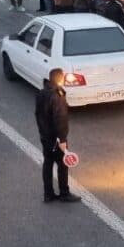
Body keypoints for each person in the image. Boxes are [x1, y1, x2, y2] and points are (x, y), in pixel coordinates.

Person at [36, 69, 81, 203]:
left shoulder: (41, 93)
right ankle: (64, 193)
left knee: (48, 163)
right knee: (63, 165)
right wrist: (62, 140)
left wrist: (44, 132)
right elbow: (60, 119)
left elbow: (38, 115)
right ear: (60, 79)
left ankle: (48, 194)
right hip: (56, 138)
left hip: (45, 136)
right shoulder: (57, 96)